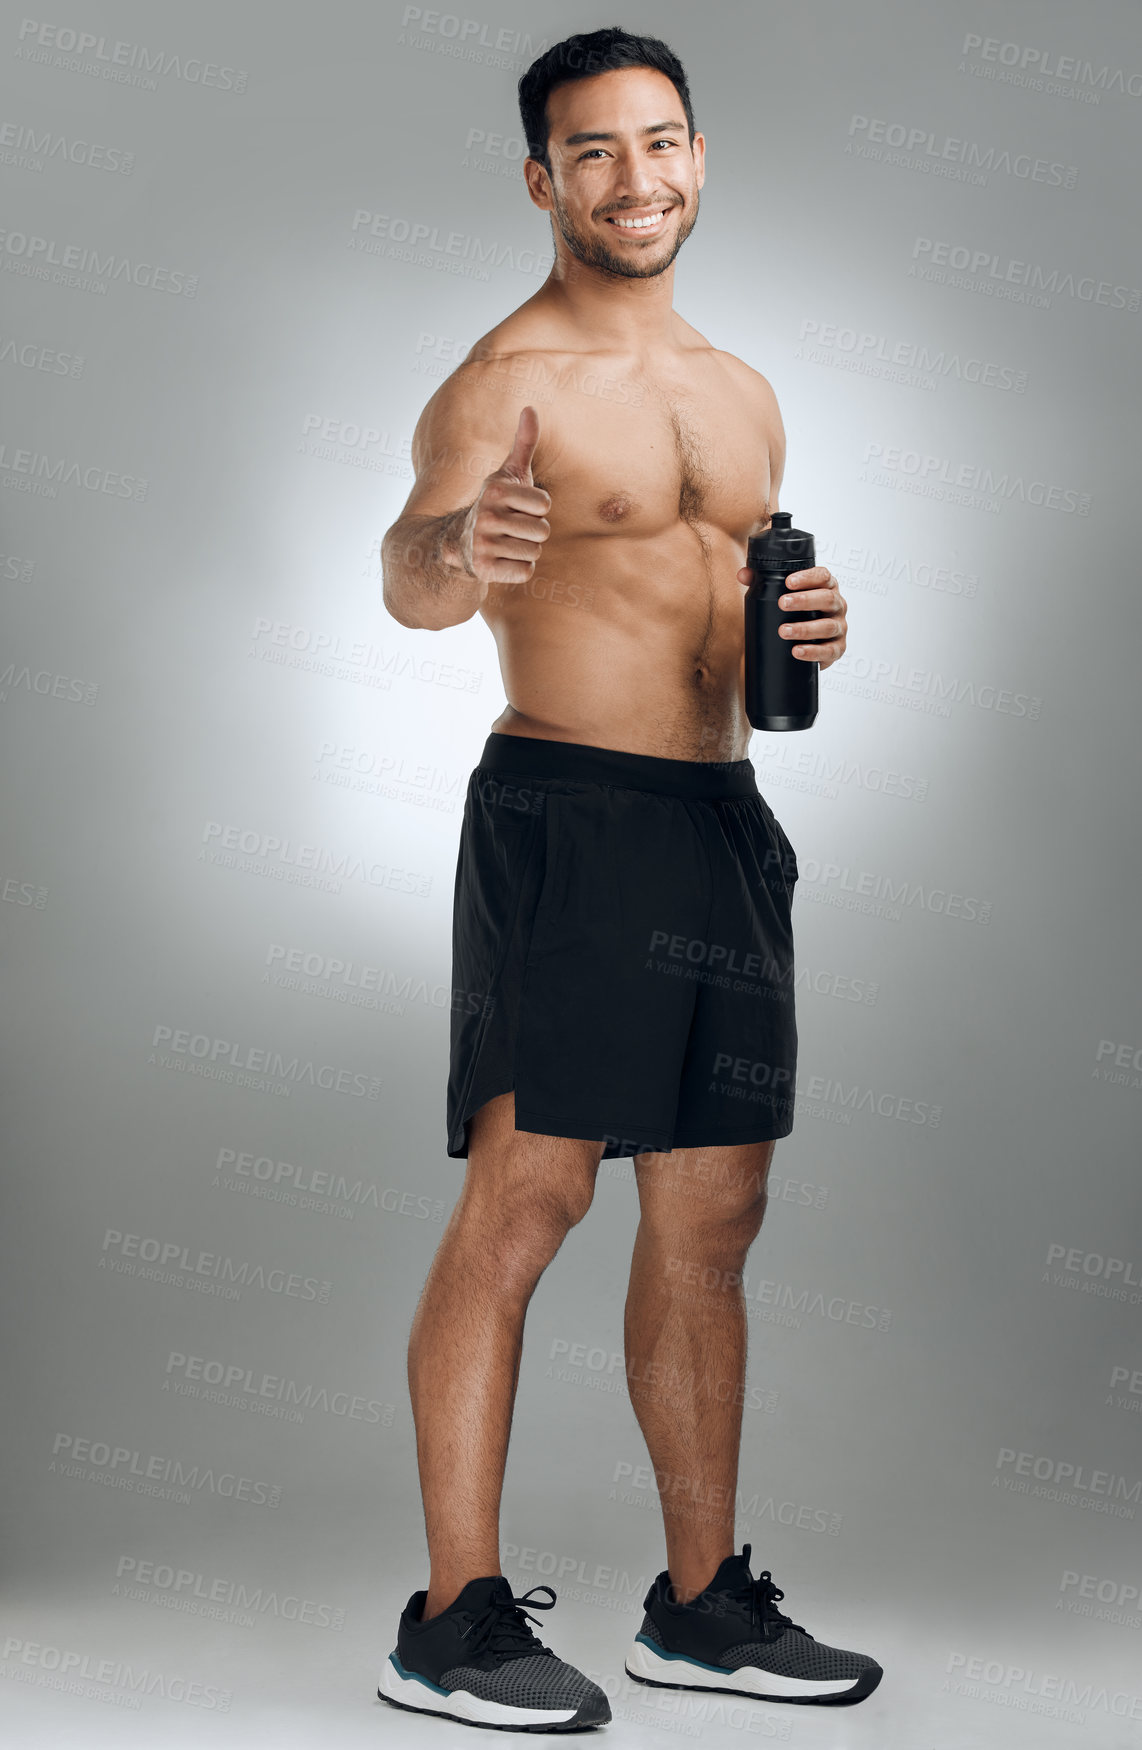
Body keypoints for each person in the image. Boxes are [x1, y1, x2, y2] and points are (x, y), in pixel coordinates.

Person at [378, 26, 880, 1732]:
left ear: (697, 155)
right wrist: (464, 548)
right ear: (542, 180)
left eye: (658, 142)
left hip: (717, 820)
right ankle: (448, 1619)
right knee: (528, 1205)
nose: (634, 177)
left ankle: (699, 1604)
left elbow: (719, 621)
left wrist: (791, 630)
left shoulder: (741, 391)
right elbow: (410, 570)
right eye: (591, 152)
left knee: (711, 1215)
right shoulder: (498, 377)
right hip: (564, 817)